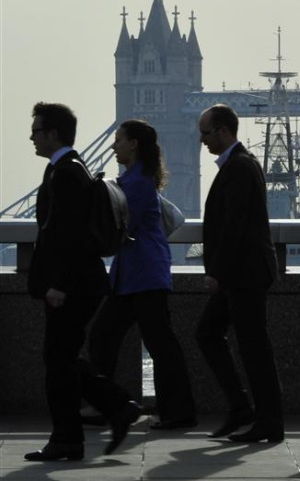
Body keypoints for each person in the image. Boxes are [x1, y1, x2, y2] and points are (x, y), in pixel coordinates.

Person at [25, 102, 141, 461]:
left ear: (53, 134)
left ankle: (70, 436)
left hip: (73, 285)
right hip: (80, 282)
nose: (31, 136)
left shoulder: (67, 173)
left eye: (37, 130)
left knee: (59, 360)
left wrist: (58, 284)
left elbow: (69, 236)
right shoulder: (66, 169)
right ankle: (111, 410)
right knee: (63, 357)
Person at [88, 119, 196, 430]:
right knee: (106, 337)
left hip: (144, 275)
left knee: (158, 345)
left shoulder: (137, 183)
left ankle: (178, 412)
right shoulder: (132, 179)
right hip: (132, 276)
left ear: (133, 144)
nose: (113, 145)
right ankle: (109, 405)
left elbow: (120, 226)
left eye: (119, 140)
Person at [196, 104, 284, 442]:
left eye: (205, 133)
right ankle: (242, 409)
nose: (201, 141)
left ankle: (268, 421)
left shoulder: (240, 168)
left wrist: (216, 271)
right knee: (209, 334)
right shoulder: (237, 165)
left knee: (254, 349)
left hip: (243, 275)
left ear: (222, 131)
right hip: (239, 273)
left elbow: (234, 226)